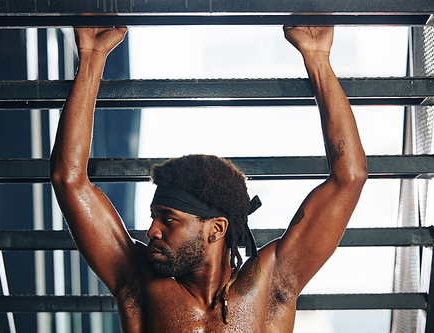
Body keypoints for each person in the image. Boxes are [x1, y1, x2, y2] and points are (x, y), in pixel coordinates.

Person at [50, 25, 367, 332]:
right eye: (155, 217)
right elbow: (69, 180)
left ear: (215, 229)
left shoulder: (271, 283)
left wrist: (317, 58)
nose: (151, 231)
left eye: (168, 219)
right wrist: (91, 57)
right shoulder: (140, 283)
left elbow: (349, 178)